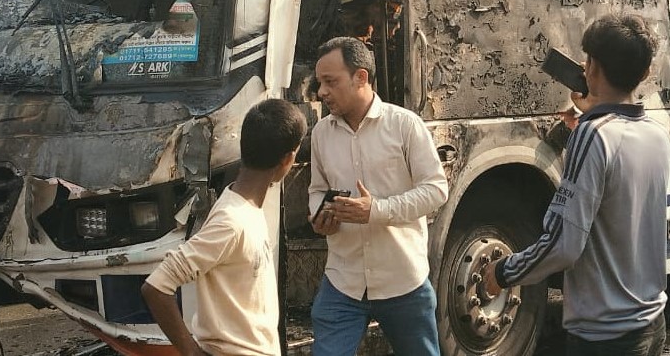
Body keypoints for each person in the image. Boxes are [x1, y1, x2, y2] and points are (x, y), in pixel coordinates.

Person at [485, 14, 670, 356]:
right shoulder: (659, 133)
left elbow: (563, 244)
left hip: (604, 337)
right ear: (645, 73)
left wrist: (503, 271)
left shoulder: (594, 134)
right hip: (652, 323)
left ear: (591, 68)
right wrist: (592, 115)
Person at [308, 36, 448, 356]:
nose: (321, 92)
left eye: (330, 82)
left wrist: (377, 210)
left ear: (361, 77)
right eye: (319, 83)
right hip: (343, 281)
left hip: (403, 281)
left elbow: (436, 189)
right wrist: (320, 215)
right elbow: (317, 189)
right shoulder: (321, 134)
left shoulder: (405, 126)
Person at [142, 98, 307, 356]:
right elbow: (156, 286)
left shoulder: (244, 206)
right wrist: (192, 352)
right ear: (288, 160)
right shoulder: (232, 221)